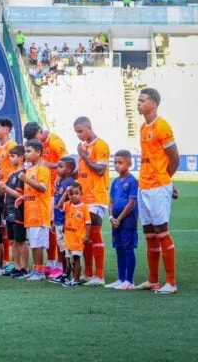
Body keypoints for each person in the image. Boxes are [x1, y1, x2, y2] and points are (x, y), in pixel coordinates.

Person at [135, 88, 179, 295]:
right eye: (138, 100)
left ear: (153, 103)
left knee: (162, 233)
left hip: (158, 186)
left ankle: (170, 282)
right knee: (150, 235)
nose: (138, 103)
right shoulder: (144, 127)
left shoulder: (163, 126)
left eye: (142, 100)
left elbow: (174, 158)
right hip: (144, 186)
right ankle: (152, 280)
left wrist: (166, 181)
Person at [24, 121, 68, 278]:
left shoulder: (55, 141)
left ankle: (61, 265)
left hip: (55, 191)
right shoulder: (34, 165)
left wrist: (48, 164)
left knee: (55, 227)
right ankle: (49, 264)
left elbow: (67, 163)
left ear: (41, 131)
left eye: (37, 138)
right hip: (45, 192)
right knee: (48, 229)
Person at [74, 116, 110, 286]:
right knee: (85, 237)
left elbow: (100, 170)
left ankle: (100, 275)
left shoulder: (100, 145)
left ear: (89, 127)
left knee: (94, 234)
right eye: (76, 133)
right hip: (84, 198)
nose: (79, 135)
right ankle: (88, 273)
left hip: (96, 197)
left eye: (80, 131)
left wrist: (83, 156)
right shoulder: (83, 146)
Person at [106, 150, 139, 290]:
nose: (117, 165)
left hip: (127, 221)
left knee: (127, 248)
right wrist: (111, 217)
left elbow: (131, 203)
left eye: (120, 163)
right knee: (119, 249)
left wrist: (119, 218)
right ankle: (120, 279)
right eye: (115, 163)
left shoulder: (132, 181)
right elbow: (111, 201)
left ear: (129, 164)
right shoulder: (115, 182)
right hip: (116, 221)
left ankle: (129, 280)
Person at [19, 139, 50, 281]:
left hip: (39, 213)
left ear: (38, 152)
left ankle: (40, 271)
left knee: (38, 244)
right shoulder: (30, 169)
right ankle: (36, 269)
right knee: (33, 242)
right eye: (25, 151)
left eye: (29, 151)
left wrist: (26, 179)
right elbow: (32, 191)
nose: (26, 154)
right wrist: (23, 197)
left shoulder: (42, 169)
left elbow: (43, 188)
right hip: (30, 212)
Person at [0, 145, 27, 278]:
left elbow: (20, 195)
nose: (10, 158)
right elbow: (2, 192)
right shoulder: (12, 174)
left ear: (21, 158)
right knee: (13, 241)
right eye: (10, 156)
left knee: (21, 240)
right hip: (8, 210)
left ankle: (24, 268)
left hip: (18, 211)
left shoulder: (23, 174)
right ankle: (16, 266)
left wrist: (5, 188)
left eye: (13, 156)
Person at [0, 117, 17, 267]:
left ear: (7, 129)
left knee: (11, 225)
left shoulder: (12, 145)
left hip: (10, 190)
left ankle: (13, 261)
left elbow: (16, 167)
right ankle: (5, 258)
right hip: (0, 189)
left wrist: (8, 186)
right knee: (3, 224)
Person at [49, 157, 76, 284]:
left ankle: (71, 275)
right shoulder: (59, 182)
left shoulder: (70, 183)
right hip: (58, 220)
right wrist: (54, 221)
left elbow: (63, 204)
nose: (57, 169)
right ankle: (64, 273)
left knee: (68, 249)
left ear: (69, 169)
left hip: (66, 221)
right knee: (62, 249)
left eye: (60, 167)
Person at [60, 182, 91, 287]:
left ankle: (76, 280)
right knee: (70, 260)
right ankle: (74, 278)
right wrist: (65, 192)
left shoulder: (84, 207)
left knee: (76, 258)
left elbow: (88, 223)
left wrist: (86, 236)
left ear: (81, 194)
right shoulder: (68, 205)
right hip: (68, 238)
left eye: (76, 193)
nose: (73, 196)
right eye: (71, 194)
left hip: (78, 239)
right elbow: (59, 205)